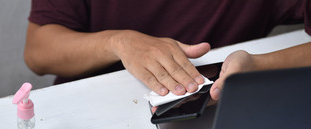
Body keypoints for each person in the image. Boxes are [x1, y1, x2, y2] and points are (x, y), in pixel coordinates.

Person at [24, 0, 311, 101]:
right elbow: (39, 52)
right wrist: (117, 43)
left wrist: (262, 67)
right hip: (87, 116)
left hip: (218, 116)